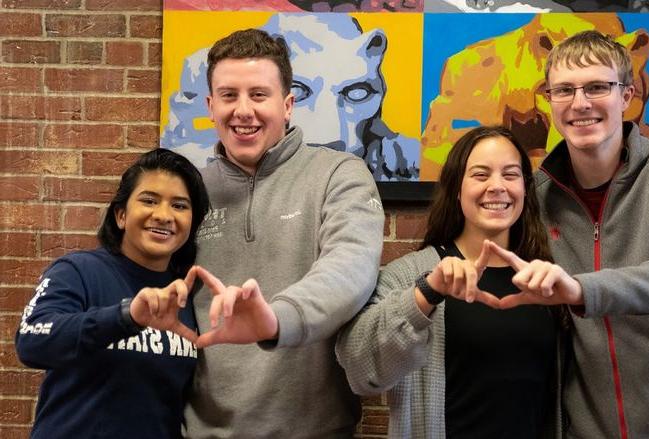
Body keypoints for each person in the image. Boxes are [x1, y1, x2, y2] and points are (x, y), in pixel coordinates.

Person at [489, 30, 649, 438]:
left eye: (597, 87)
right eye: (564, 90)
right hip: (590, 430)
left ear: (626, 96)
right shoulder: (536, 196)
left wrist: (581, 290)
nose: (580, 103)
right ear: (549, 100)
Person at [182, 28, 384, 438]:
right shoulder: (188, 190)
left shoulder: (338, 174)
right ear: (210, 105)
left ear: (288, 104)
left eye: (259, 95)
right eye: (228, 95)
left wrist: (275, 320)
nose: (243, 111)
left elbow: (350, 270)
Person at [336, 126, 562, 438]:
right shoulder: (408, 275)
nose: (497, 187)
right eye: (481, 175)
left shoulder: (546, 274)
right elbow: (362, 371)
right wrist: (427, 293)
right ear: (457, 188)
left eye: (510, 175)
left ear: (525, 187)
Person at [15, 148, 210, 439]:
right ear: (121, 215)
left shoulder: (185, 295)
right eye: (149, 200)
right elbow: (30, 341)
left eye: (179, 206)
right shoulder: (77, 270)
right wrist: (125, 316)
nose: (164, 215)